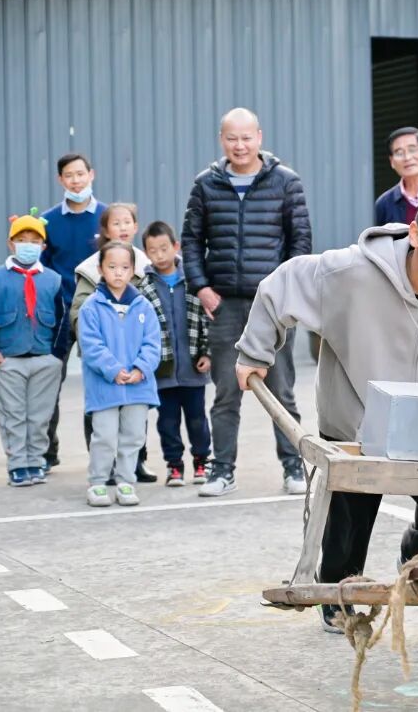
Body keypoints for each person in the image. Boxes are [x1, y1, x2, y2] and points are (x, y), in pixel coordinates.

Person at [234, 184, 418, 633]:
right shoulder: (351, 272)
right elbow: (281, 284)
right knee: (351, 512)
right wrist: (256, 350)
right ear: (416, 234)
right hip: (356, 416)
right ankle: (338, 592)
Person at [181, 107, 310, 497]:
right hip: (224, 305)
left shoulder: (286, 182)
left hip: (271, 306)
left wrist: (286, 292)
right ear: (222, 140)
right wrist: (202, 287)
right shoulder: (206, 185)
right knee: (225, 393)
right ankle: (221, 471)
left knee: (282, 390)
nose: (240, 145)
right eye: (232, 138)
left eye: (246, 137)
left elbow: (300, 242)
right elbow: (191, 241)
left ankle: (294, 466)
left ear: (259, 137)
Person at [0, 211, 67, 486]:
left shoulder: (53, 279)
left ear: (43, 246)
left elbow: (62, 319)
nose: (28, 245)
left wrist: (57, 355)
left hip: (44, 358)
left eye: (34, 241)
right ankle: (17, 464)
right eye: (22, 240)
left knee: (40, 415)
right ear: (10, 244)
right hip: (8, 358)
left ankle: (36, 461)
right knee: (12, 414)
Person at [70, 202, 156, 483]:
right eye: (115, 223)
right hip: (104, 360)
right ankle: (102, 472)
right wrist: (104, 356)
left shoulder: (145, 264)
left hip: (135, 362)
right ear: (105, 230)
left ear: (136, 226)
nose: (122, 228)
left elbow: (153, 328)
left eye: (127, 222)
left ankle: (133, 467)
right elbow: (79, 313)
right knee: (102, 425)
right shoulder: (90, 270)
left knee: (135, 423)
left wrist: (143, 364)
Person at [78, 241, 160, 507]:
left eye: (124, 267)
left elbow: (153, 343)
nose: (118, 272)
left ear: (133, 270)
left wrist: (140, 369)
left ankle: (126, 481)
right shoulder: (91, 306)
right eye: (111, 267)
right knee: (104, 436)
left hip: (138, 385)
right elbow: (91, 345)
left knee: (134, 436)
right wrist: (113, 370)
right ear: (101, 269)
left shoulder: (143, 306)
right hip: (105, 386)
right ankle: (98, 482)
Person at [41, 153, 108, 470]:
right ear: (60, 180)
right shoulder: (48, 222)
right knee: (49, 383)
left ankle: (100, 453)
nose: (76, 180)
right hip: (58, 313)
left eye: (81, 174)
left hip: (100, 314)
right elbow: (42, 269)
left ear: (91, 174)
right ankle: (46, 452)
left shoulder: (108, 217)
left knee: (100, 383)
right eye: (69, 175)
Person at [136, 221, 212, 486]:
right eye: (152, 250)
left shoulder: (194, 281)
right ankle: (175, 466)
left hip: (193, 367)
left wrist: (208, 353)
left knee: (197, 419)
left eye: (164, 248)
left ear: (176, 246)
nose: (159, 255)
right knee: (167, 422)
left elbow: (208, 320)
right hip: (162, 371)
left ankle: (201, 462)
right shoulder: (143, 287)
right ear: (145, 253)